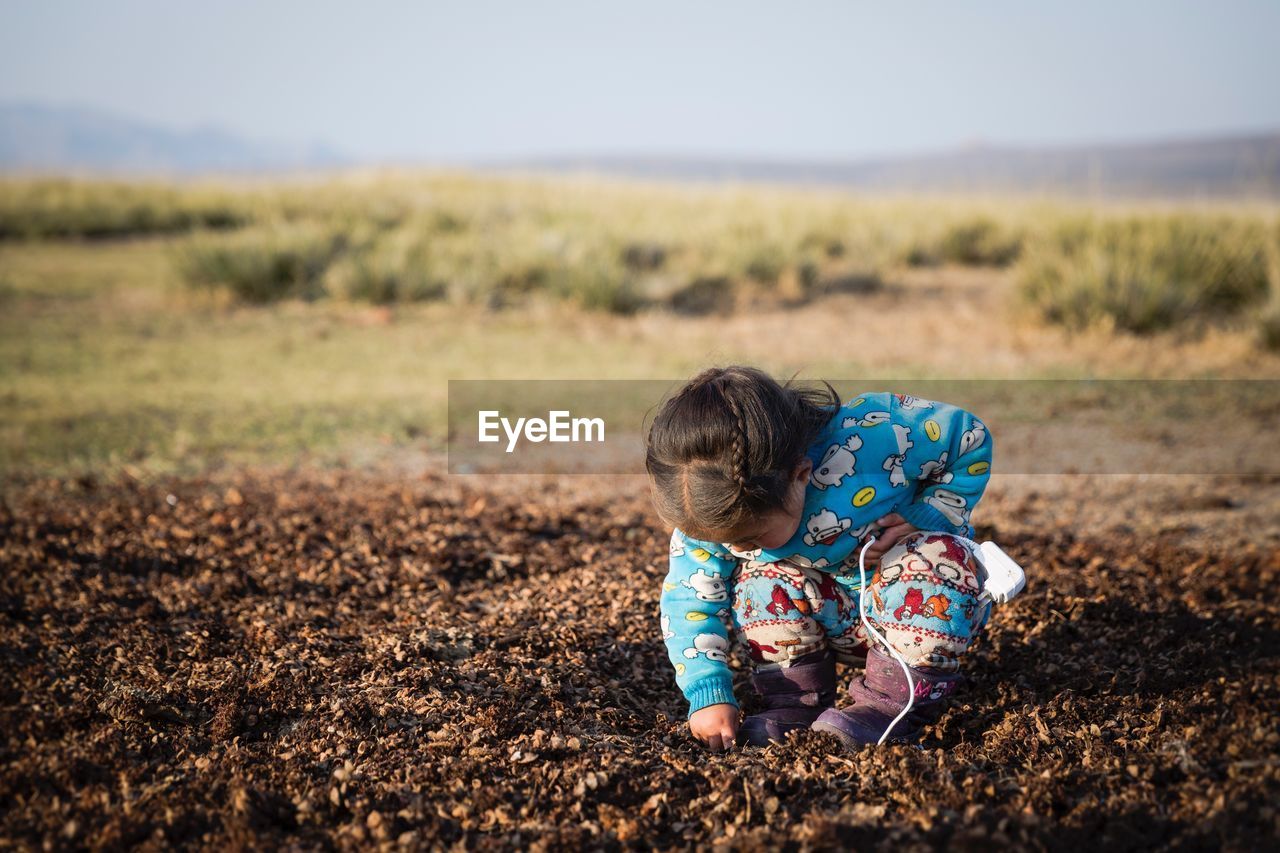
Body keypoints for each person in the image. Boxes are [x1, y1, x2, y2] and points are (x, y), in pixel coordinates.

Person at [647, 366, 994, 751]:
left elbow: (969, 437)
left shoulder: (878, 433)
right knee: (758, 579)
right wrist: (707, 692)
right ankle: (796, 703)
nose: (739, 550)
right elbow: (688, 599)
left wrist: (928, 515)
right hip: (834, 619)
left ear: (801, 475)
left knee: (938, 555)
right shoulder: (715, 512)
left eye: (751, 537)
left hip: (926, 614)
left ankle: (890, 709)